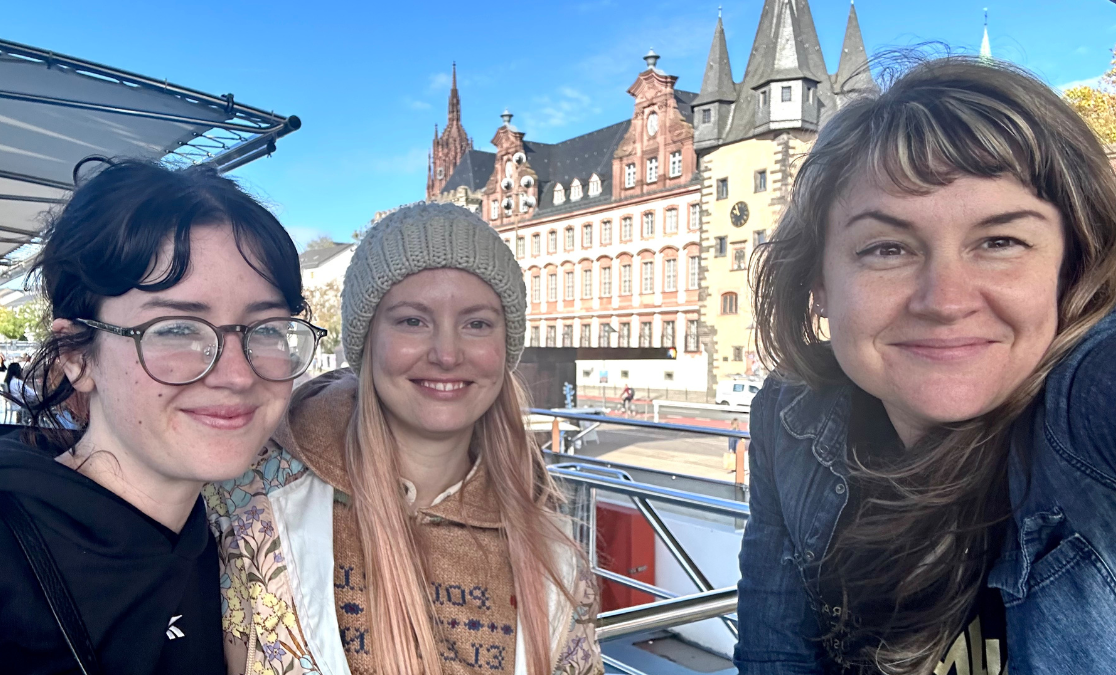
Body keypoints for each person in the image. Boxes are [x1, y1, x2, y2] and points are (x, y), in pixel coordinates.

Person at [736, 56, 1116, 674]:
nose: (944, 301)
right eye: (886, 248)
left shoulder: (1083, 403)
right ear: (819, 284)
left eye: (1000, 242)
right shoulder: (792, 414)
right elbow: (774, 653)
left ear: (1071, 267)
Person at [207, 203, 602, 675]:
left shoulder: (554, 557)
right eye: (413, 321)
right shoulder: (252, 500)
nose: (447, 354)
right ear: (366, 340)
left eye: (476, 323)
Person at [0, 160, 323, 674]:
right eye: (176, 330)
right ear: (76, 355)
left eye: (265, 329)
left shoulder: (243, 553)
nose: (238, 375)